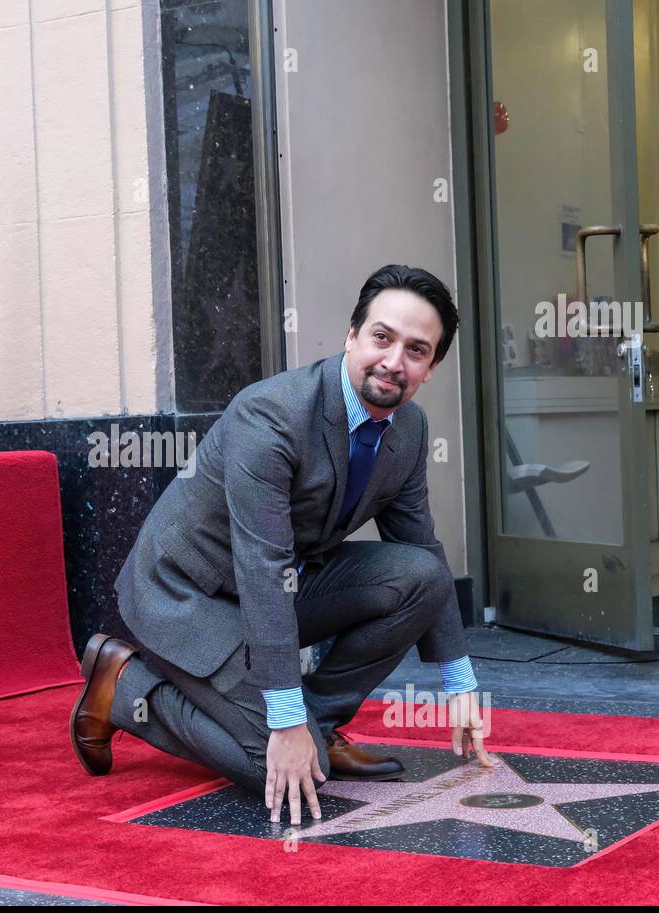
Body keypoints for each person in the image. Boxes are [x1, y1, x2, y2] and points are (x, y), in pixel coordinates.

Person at [71, 263, 494, 827]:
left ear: (432, 367)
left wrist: (458, 681)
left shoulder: (409, 429)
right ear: (351, 335)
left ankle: (315, 726)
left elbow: (421, 546)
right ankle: (125, 685)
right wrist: (283, 712)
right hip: (184, 595)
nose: (394, 361)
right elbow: (262, 563)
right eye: (381, 337)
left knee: (420, 576)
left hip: (276, 589)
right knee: (286, 763)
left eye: (417, 350)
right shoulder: (270, 415)